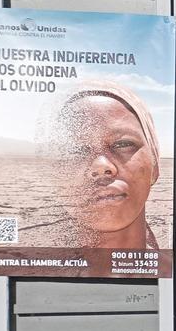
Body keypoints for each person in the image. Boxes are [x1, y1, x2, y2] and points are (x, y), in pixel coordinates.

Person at [45, 80, 162, 251]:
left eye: (122, 144)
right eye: (77, 151)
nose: (101, 167)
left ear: (155, 165)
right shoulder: (31, 271)